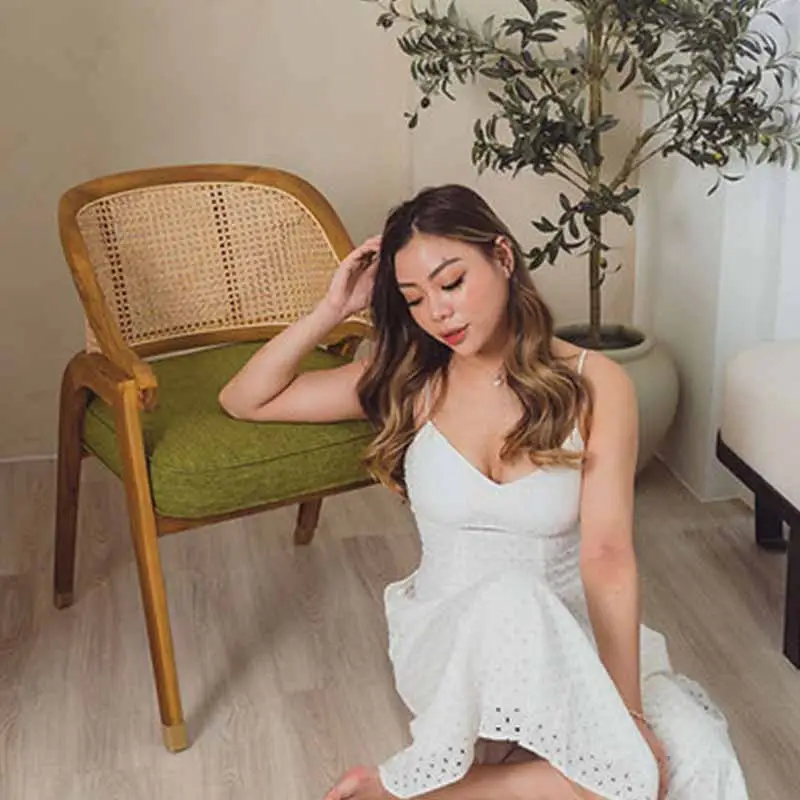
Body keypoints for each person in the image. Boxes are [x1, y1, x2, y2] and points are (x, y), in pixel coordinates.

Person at [219, 185, 749, 800]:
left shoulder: (594, 384)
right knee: (514, 602)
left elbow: (607, 555)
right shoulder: (407, 378)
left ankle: (409, 793)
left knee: (697, 758)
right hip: (454, 639)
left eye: (451, 283)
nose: (437, 313)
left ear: (501, 256)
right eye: (414, 299)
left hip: (572, 631)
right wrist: (331, 310)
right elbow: (246, 398)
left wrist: (627, 716)